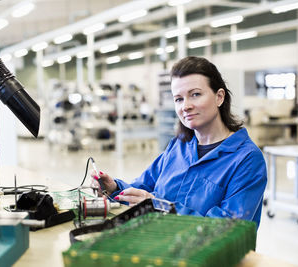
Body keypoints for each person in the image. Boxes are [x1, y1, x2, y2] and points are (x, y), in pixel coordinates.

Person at [92, 56, 267, 227]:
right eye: (179, 99)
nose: (185, 106)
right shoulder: (179, 146)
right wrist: (114, 187)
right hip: (164, 245)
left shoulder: (247, 159)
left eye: (195, 94)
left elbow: (229, 228)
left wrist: (160, 207)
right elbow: (143, 187)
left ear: (219, 97)